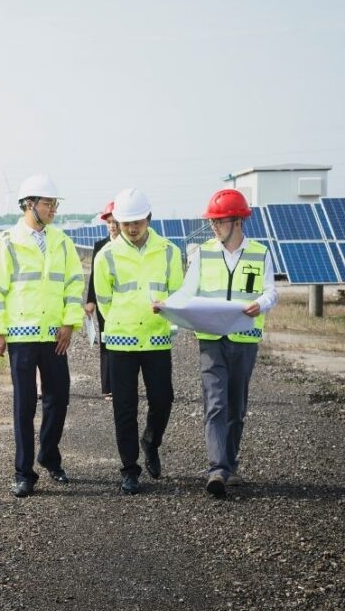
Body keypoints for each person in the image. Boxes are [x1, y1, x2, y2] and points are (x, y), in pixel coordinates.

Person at [163, 189, 277, 498]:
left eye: (219, 221)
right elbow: (188, 292)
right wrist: (168, 305)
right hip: (211, 339)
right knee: (215, 403)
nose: (214, 227)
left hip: (244, 340)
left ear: (238, 221)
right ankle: (217, 469)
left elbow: (271, 291)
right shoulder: (203, 253)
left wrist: (261, 304)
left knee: (235, 406)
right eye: (212, 222)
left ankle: (230, 464)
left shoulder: (260, 253)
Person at [0, 174, 85, 497]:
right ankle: (24, 472)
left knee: (59, 399)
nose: (53, 208)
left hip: (55, 335)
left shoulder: (62, 242)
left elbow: (73, 285)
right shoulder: (7, 242)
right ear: (29, 204)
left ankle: (49, 456)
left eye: (54, 203)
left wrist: (69, 323)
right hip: (22, 337)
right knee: (24, 405)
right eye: (48, 203)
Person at [93, 188, 183, 495]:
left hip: (157, 338)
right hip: (121, 341)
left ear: (149, 218)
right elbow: (104, 300)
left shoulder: (169, 251)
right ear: (117, 221)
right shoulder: (106, 254)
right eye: (126, 222)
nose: (132, 228)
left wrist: (165, 318)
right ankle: (129, 469)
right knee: (124, 408)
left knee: (163, 400)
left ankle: (151, 441)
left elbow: (177, 292)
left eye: (138, 221)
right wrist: (122, 319)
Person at [84, 201, 121, 399]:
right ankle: (108, 387)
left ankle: (123, 383)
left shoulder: (129, 245)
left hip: (123, 302)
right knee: (106, 342)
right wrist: (90, 300)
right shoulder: (100, 246)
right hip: (103, 302)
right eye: (109, 223)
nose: (112, 226)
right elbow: (94, 276)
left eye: (115, 222)